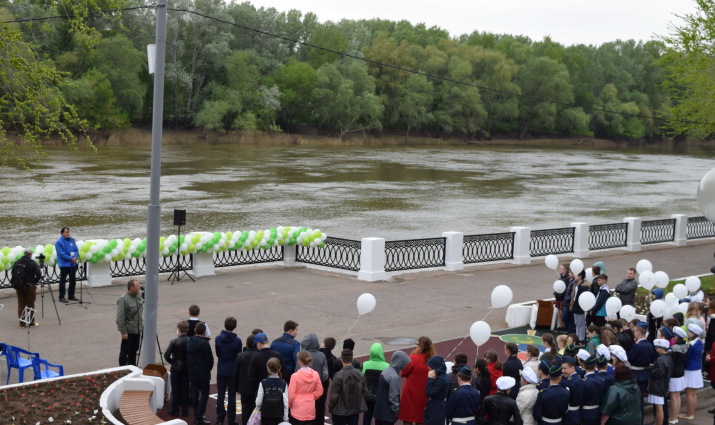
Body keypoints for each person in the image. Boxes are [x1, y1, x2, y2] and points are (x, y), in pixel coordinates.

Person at [399, 336, 435, 425]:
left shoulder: (413, 358)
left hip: (410, 393)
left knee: (407, 418)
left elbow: (403, 373)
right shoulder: (433, 360)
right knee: (421, 418)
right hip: (425, 393)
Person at [330, 349, 368, 425]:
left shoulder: (338, 376)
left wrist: (331, 408)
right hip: (355, 409)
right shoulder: (359, 374)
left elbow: (334, 396)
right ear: (353, 359)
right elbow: (365, 392)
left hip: (340, 411)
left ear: (341, 360)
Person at [215, 317, 242, 425]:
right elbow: (238, 355)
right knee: (232, 396)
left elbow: (217, 353)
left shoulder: (218, 338)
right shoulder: (237, 340)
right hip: (232, 369)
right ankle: (231, 420)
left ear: (224, 325)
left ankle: (220, 418)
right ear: (234, 326)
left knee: (220, 394)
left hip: (221, 368)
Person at [187, 322, 214, 425]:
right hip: (203, 373)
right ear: (204, 332)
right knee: (204, 395)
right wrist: (207, 369)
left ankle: (197, 415)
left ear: (194, 330)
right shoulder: (205, 344)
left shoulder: (189, 342)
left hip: (193, 372)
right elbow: (210, 360)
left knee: (194, 393)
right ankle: (198, 416)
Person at [374, 351, 411, 425]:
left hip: (379, 411)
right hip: (387, 414)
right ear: (400, 362)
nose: (406, 366)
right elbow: (393, 397)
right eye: (404, 363)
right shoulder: (394, 377)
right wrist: (396, 410)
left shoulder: (385, 371)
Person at [300, 333, 329, 425]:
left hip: (303, 390)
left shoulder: (301, 355)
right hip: (316, 389)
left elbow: (296, 372)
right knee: (319, 410)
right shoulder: (321, 355)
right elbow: (325, 375)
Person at [288, 350, 323, 425]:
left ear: (299, 361)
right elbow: (320, 391)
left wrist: (289, 404)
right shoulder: (315, 374)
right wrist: (311, 396)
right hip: (310, 409)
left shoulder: (295, 376)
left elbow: (291, 394)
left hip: (297, 410)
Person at [248, 333, 287, 399]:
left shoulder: (255, 357)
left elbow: (251, 376)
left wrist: (254, 390)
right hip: (277, 391)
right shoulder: (278, 355)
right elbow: (284, 373)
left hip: (261, 391)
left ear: (258, 343)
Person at [164, 320, 191, 418]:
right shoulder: (190, 341)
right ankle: (185, 411)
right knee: (185, 389)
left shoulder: (174, 341)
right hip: (186, 367)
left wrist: (173, 362)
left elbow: (166, 355)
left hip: (176, 367)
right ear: (187, 329)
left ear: (178, 330)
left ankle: (175, 410)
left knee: (175, 389)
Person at [630, 321, 654, 425]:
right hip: (644, 373)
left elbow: (630, 358)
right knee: (641, 401)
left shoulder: (637, 346)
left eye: (635, 331)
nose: (634, 333)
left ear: (639, 333)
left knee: (635, 401)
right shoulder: (649, 345)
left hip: (636, 374)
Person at [11, 247, 42, 328]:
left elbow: (12, 273)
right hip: (29, 286)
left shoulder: (17, 262)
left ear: (24, 254)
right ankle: (31, 323)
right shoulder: (32, 263)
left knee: (21, 305)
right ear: (30, 254)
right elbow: (39, 274)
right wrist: (34, 282)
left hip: (19, 286)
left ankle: (22, 324)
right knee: (30, 304)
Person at [116, 279, 143, 366]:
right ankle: (122, 369)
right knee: (125, 352)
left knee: (134, 350)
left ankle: (132, 367)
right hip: (129, 331)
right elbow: (120, 318)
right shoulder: (123, 299)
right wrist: (123, 332)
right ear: (132, 288)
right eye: (137, 286)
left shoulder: (138, 296)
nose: (139, 287)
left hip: (137, 329)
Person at [680, 324, 704, 421]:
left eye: (690, 332)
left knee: (689, 393)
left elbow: (687, 357)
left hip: (690, 369)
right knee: (693, 393)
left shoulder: (691, 344)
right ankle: (691, 412)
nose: (688, 333)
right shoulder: (698, 342)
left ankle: (689, 414)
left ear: (694, 333)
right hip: (696, 368)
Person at [234, 334, 260, 425]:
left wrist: (236, 387)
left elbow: (236, 373)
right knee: (255, 410)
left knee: (245, 410)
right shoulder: (259, 355)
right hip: (255, 388)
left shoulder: (240, 356)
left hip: (244, 388)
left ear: (246, 344)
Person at [363, 343, 390, 425]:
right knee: (379, 418)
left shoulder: (365, 364)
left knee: (367, 416)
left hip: (368, 395)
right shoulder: (386, 366)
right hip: (381, 397)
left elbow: (362, 378)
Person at [256, 358, 289, 425]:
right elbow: (286, 403)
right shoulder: (283, 383)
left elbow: (258, 403)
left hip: (266, 416)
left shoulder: (263, 383)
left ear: (268, 369)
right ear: (279, 368)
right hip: (279, 415)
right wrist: (285, 418)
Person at [649, 339, 673, 425]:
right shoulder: (668, 357)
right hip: (662, 385)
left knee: (659, 408)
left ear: (662, 348)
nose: (656, 349)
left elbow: (658, 372)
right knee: (659, 407)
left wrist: (651, 369)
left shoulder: (661, 359)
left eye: (657, 348)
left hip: (658, 386)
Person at [668, 327, 688, 424]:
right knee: (677, 396)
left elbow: (672, 362)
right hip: (681, 372)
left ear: (677, 336)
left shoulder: (675, 347)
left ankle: (672, 417)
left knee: (673, 397)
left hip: (674, 374)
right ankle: (675, 416)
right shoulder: (685, 345)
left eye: (674, 335)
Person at [55, 227, 79, 303]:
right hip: (64, 265)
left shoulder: (72, 240)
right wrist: (70, 259)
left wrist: (75, 258)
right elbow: (61, 254)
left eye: (68, 232)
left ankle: (71, 295)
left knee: (73, 280)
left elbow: (76, 250)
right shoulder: (59, 242)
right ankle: (61, 297)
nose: (68, 233)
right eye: (66, 232)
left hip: (73, 264)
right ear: (62, 233)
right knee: (63, 281)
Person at [424, 355, 449, 425]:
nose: (428, 367)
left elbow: (428, 392)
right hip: (436, 406)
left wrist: (430, 379)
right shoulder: (442, 376)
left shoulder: (441, 379)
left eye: (431, 366)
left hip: (437, 409)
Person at [581, 355, 605, 425]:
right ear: (595, 367)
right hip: (597, 412)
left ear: (584, 366)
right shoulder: (601, 380)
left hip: (585, 412)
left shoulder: (583, 381)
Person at [560, 357, 584, 425]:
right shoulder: (574, 379)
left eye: (565, 368)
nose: (562, 371)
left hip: (571, 415)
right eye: (562, 368)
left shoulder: (575, 381)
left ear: (572, 368)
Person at [571, 270, 590, 342]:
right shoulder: (576, 284)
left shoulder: (583, 287)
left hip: (579, 307)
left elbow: (582, 298)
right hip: (575, 306)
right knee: (577, 323)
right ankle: (577, 337)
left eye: (576, 275)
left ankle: (581, 339)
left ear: (580, 276)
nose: (574, 276)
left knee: (581, 324)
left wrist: (577, 305)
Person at [561, 265, 576, 334]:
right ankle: (569, 330)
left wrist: (567, 298)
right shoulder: (571, 280)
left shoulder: (574, 282)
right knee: (567, 317)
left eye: (570, 273)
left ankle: (570, 330)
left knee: (566, 316)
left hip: (570, 302)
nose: (569, 274)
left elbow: (572, 293)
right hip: (567, 302)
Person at [555, 264, 570, 331]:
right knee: (559, 312)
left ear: (566, 270)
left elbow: (566, 288)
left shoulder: (567, 278)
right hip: (559, 297)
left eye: (562, 269)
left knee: (562, 313)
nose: (560, 270)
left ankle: (564, 326)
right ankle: (561, 326)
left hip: (563, 297)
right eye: (560, 268)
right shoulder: (561, 276)